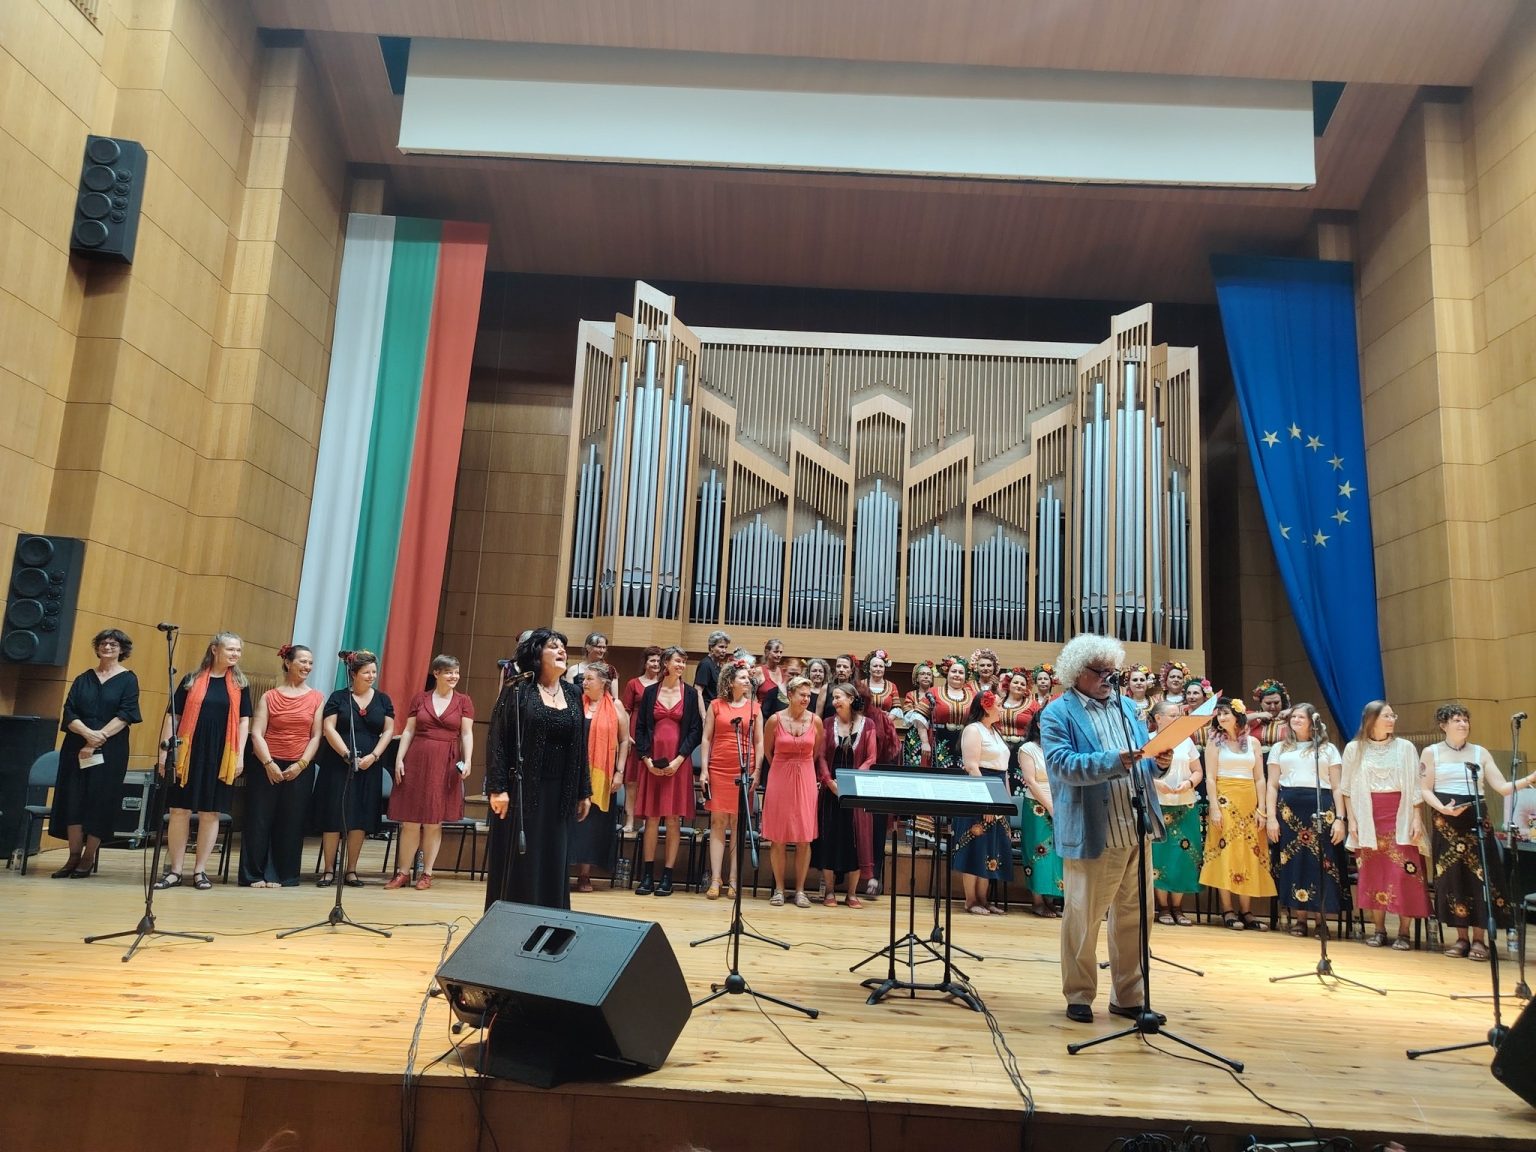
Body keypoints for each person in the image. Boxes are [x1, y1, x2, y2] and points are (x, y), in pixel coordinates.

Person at [1039, 633, 1171, 1024]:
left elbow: (1142, 762)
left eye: (1113, 671)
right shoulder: (1057, 713)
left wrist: (1159, 763)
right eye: (1101, 672)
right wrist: (1115, 760)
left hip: (1136, 828)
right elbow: (1062, 765)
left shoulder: (1128, 707)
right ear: (1076, 672)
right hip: (1094, 832)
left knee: (1135, 918)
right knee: (1083, 919)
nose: (1109, 679)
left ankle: (1129, 996)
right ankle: (1079, 994)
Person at [483, 628, 592, 910]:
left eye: (563, 647)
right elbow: (497, 739)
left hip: (560, 793)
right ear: (536, 654)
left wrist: (584, 791)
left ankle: (551, 923)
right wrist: (497, 788)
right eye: (553, 646)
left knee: (554, 859)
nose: (561, 651)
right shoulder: (519, 689)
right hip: (521, 791)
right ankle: (512, 923)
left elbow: (580, 745)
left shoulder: (573, 693)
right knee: (523, 861)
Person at [1420, 704, 1534, 959]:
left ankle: (1479, 940)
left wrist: (1529, 779)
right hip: (1446, 820)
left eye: (1465, 720)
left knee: (1481, 877)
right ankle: (1461, 939)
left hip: (1476, 819)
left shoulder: (1480, 752)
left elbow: (1502, 787)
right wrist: (1442, 808)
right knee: (1452, 877)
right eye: (1457, 720)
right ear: (1443, 725)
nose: (1463, 724)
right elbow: (1425, 788)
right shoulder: (1431, 752)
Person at [154, 632, 253, 891]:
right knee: (179, 810)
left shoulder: (241, 684)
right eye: (230, 649)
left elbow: (244, 722)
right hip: (188, 752)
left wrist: (240, 755)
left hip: (221, 754)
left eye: (238, 650)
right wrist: (165, 752)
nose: (235, 654)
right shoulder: (190, 680)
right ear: (214, 650)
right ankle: (175, 871)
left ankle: (200, 871)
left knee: (211, 812)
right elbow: (173, 717)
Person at [49, 629, 141, 879]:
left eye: (113, 644)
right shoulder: (83, 678)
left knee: (99, 801)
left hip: (111, 748)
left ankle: (88, 857)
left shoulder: (128, 680)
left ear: (122, 650)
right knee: (73, 799)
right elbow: (69, 711)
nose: (107, 647)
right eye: (103, 643)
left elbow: (126, 714)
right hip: (76, 746)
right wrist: (87, 734)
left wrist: (97, 738)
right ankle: (73, 856)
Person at [1341, 700, 1428, 950]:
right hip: (1368, 817)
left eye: (1392, 716)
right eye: (1386, 716)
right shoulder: (1354, 749)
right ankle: (1378, 929)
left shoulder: (1405, 748)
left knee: (1405, 872)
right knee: (1373, 873)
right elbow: (1346, 789)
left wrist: (1416, 817)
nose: (1391, 720)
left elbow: (1415, 787)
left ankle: (1404, 932)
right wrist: (1352, 820)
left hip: (1400, 815)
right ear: (1371, 720)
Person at [384, 654, 475, 891]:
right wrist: (399, 759)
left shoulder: (464, 701)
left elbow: (466, 734)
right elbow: (408, 731)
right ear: (436, 673)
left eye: (456, 672)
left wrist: (467, 760)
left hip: (445, 763)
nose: (454, 676)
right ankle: (403, 873)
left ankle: (427, 874)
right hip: (416, 760)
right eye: (449, 672)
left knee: (434, 822)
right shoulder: (420, 698)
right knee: (410, 821)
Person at [311, 650, 394, 887]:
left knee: (360, 817)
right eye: (366, 672)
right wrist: (346, 754)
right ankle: (328, 869)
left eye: (374, 672)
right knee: (333, 815)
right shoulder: (339, 697)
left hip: (369, 764)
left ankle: (351, 870)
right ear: (353, 674)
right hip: (338, 763)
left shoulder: (383, 700)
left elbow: (388, 730)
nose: (371, 676)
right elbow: (329, 727)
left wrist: (374, 756)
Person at [242, 643, 323, 888]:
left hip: (299, 766)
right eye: (303, 661)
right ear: (288, 663)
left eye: (310, 662)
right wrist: (268, 763)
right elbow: (257, 733)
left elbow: (316, 736)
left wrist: (301, 764)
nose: (307, 666)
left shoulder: (317, 698)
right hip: (266, 764)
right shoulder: (269, 696)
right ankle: (254, 874)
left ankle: (283, 874)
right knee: (259, 819)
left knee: (291, 822)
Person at [1264, 703, 1346, 937]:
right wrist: (1271, 817)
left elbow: (1337, 786)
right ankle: (1299, 918)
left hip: (1321, 807)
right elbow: (1272, 785)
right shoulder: (1280, 748)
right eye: (1293, 717)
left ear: (1313, 721)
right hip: (1290, 810)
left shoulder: (1328, 749)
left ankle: (1321, 919)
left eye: (1301, 717)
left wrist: (1340, 819)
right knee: (1294, 862)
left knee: (1321, 861)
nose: (1296, 720)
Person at [1199, 696, 1276, 929]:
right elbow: (1210, 778)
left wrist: (1262, 809)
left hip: (1249, 801)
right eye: (1219, 714)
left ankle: (1247, 910)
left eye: (1226, 713)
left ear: (1237, 716)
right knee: (1226, 851)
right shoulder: (1214, 742)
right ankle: (1228, 910)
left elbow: (1260, 778)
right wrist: (1214, 807)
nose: (1221, 717)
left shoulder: (1253, 743)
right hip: (1225, 800)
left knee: (1250, 852)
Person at [631, 646, 703, 896]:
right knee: (651, 819)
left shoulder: (691, 694)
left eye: (683, 661)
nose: (681, 665)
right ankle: (647, 875)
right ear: (666, 664)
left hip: (678, 764)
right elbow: (640, 728)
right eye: (677, 661)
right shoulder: (650, 692)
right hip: (652, 763)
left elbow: (695, 730)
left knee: (673, 819)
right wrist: (647, 760)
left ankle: (667, 877)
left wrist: (679, 760)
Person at [700, 657, 761, 900]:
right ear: (730, 681)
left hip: (743, 768)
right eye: (743, 678)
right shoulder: (716, 705)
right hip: (718, 767)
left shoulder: (754, 707)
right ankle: (716, 878)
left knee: (738, 823)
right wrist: (704, 770)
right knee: (717, 822)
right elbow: (706, 738)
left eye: (748, 678)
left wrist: (757, 771)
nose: (748, 681)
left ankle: (734, 879)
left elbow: (759, 742)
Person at [758, 675, 821, 908]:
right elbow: (768, 751)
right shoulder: (774, 720)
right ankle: (779, 889)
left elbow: (816, 752)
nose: (806, 699)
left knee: (804, 837)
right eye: (802, 694)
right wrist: (784, 765)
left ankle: (801, 891)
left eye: (808, 695)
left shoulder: (815, 721)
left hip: (805, 777)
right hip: (779, 777)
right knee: (778, 837)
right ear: (790, 695)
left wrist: (800, 765)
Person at [570, 662, 631, 893]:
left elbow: (624, 740)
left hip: (601, 774)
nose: (583, 682)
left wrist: (619, 772)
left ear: (604, 682)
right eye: (583, 678)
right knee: (570, 821)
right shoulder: (576, 702)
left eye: (589, 679)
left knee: (592, 824)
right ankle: (563, 870)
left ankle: (584, 875)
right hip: (574, 771)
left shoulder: (616, 706)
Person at [813, 682, 874, 908]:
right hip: (831, 791)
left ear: (851, 698)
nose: (834, 702)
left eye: (838, 697)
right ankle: (829, 891)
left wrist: (852, 781)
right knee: (829, 839)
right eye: (833, 698)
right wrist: (829, 781)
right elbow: (820, 756)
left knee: (855, 842)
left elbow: (871, 758)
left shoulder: (868, 725)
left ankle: (852, 894)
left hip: (856, 791)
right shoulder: (827, 723)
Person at [955, 689, 1014, 915]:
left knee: (992, 846)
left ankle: (984, 899)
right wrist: (986, 802)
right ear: (986, 706)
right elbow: (972, 766)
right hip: (980, 790)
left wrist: (1005, 802)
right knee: (976, 845)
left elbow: (1004, 770)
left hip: (997, 789)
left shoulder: (995, 732)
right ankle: (971, 900)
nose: (1001, 707)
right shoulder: (973, 729)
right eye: (998, 704)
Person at [1149, 700, 1202, 926]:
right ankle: (1163, 907)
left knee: (1183, 855)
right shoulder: (1149, 740)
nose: (1177, 718)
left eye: (1179, 714)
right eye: (1172, 714)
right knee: (1160, 854)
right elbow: (1139, 772)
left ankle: (1178, 907)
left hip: (1184, 804)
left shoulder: (1186, 741)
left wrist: (1189, 783)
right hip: (1158, 804)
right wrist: (1155, 784)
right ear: (1158, 718)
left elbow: (1197, 771)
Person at [1017, 710, 1063, 917]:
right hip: (1036, 806)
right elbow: (1031, 781)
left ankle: (1050, 900)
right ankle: (1037, 902)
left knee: (1056, 855)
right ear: (1038, 725)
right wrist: (1050, 806)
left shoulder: (1060, 748)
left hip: (1060, 804)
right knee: (1039, 853)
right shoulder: (1028, 749)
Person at [620, 646, 663, 834]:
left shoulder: (663, 684)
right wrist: (627, 735)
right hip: (634, 733)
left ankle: (648, 821)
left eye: (658, 661)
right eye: (652, 660)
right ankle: (630, 820)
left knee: (650, 780)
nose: (656, 664)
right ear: (645, 663)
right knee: (632, 781)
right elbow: (626, 710)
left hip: (655, 733)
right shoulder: (633, 683)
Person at [913, 655, 975, 772]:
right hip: (939, 740)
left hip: (965, 741)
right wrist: (925, 742)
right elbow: (920, 717)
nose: (957, 675)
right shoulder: (934, 692)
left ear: (966, 676)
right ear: (947, 673)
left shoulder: (973, 695)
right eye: (954, 671)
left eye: (961, 672)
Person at [899, 662, 936, 767]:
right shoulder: (911, 695)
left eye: (929, 674)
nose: (926, 676)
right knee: (913, 764)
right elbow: (908, 716)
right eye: (922, 674)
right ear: (917, 678)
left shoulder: (937, 694)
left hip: (933, 734)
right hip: (914, 735)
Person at [566, 632, 617, 697]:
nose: (602, 650)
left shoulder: (610, 670)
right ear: (588, 647)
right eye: (599, 647)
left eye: (604, 647)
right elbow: (569, 697)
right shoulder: (573, 670)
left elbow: (615, 699)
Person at [1249, 679, 1292, 749]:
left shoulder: (1291, 717)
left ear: (1282, 701)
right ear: (1260, 703)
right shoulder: (1253, 718)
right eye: (1268, 703)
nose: (1272, 707)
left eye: (1276, 702)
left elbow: (1309, 713)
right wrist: (1257, 715)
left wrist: (1293, 711)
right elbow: (1236, 720)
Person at [694, 629, 732, 702]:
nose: (724, 651)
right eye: (721, 647)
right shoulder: (706, 664)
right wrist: (703, 710)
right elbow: (698, 692)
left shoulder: (718, 664)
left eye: (725, 647)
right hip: (707, 706)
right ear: (711, 647)